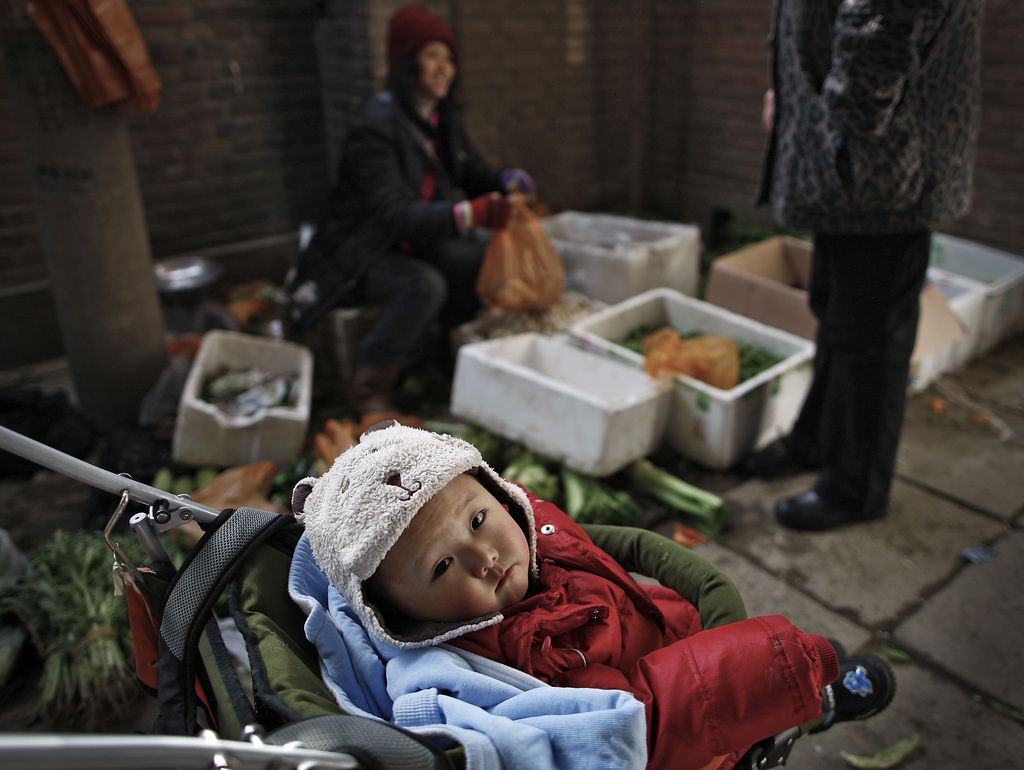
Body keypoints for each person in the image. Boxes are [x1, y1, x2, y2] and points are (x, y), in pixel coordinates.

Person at [290, 421, 896, 770]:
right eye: (443, 565)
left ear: (497, 496)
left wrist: (700, 590)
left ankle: (804, 688)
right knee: (775, 687)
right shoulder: (510, 665)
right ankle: (812, 701)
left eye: (477, 521)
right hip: (695, 721)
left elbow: (606, 540)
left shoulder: (528, 529)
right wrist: (768, 660)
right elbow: (638, 720)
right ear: (399, 617)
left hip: (677, 632)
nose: (486, 557)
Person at [748, 0, 984, 530]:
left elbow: (881, 29)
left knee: (869, 340)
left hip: (879, 171)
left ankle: (855, 490)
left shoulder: (858, 142)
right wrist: (792, 99)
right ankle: (816, 442)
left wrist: (837, 130)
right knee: (838, 316)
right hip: (857, 168)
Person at [283, 4, 535, 416]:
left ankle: (448, 360)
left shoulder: (439, 120)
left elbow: (471, 169)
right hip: (362, 250)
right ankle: (369, 388)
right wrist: (470, 214)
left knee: (473, 256)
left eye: (449, 59)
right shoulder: (375, 125)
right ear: (406, 61)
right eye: (432, 55)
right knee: (423, 284)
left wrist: (505, 181)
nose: (444, 68)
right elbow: (391, 214)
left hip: (409, 242)